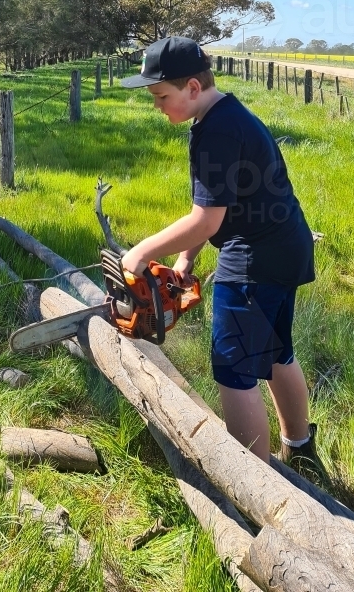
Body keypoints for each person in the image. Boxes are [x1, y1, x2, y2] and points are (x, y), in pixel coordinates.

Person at [120, 35, 325, 478]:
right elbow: (220, 206)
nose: (157, 106)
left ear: (193, 88)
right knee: (275, 355)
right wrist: (185, 260)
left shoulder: (214, 133)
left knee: (235, 373)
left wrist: (141, 252)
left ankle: (254, 489)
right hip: (286, 246)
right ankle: (299, 446)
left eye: (161, 96)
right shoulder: (228, 115)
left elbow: (205, 221)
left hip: (253, 259)